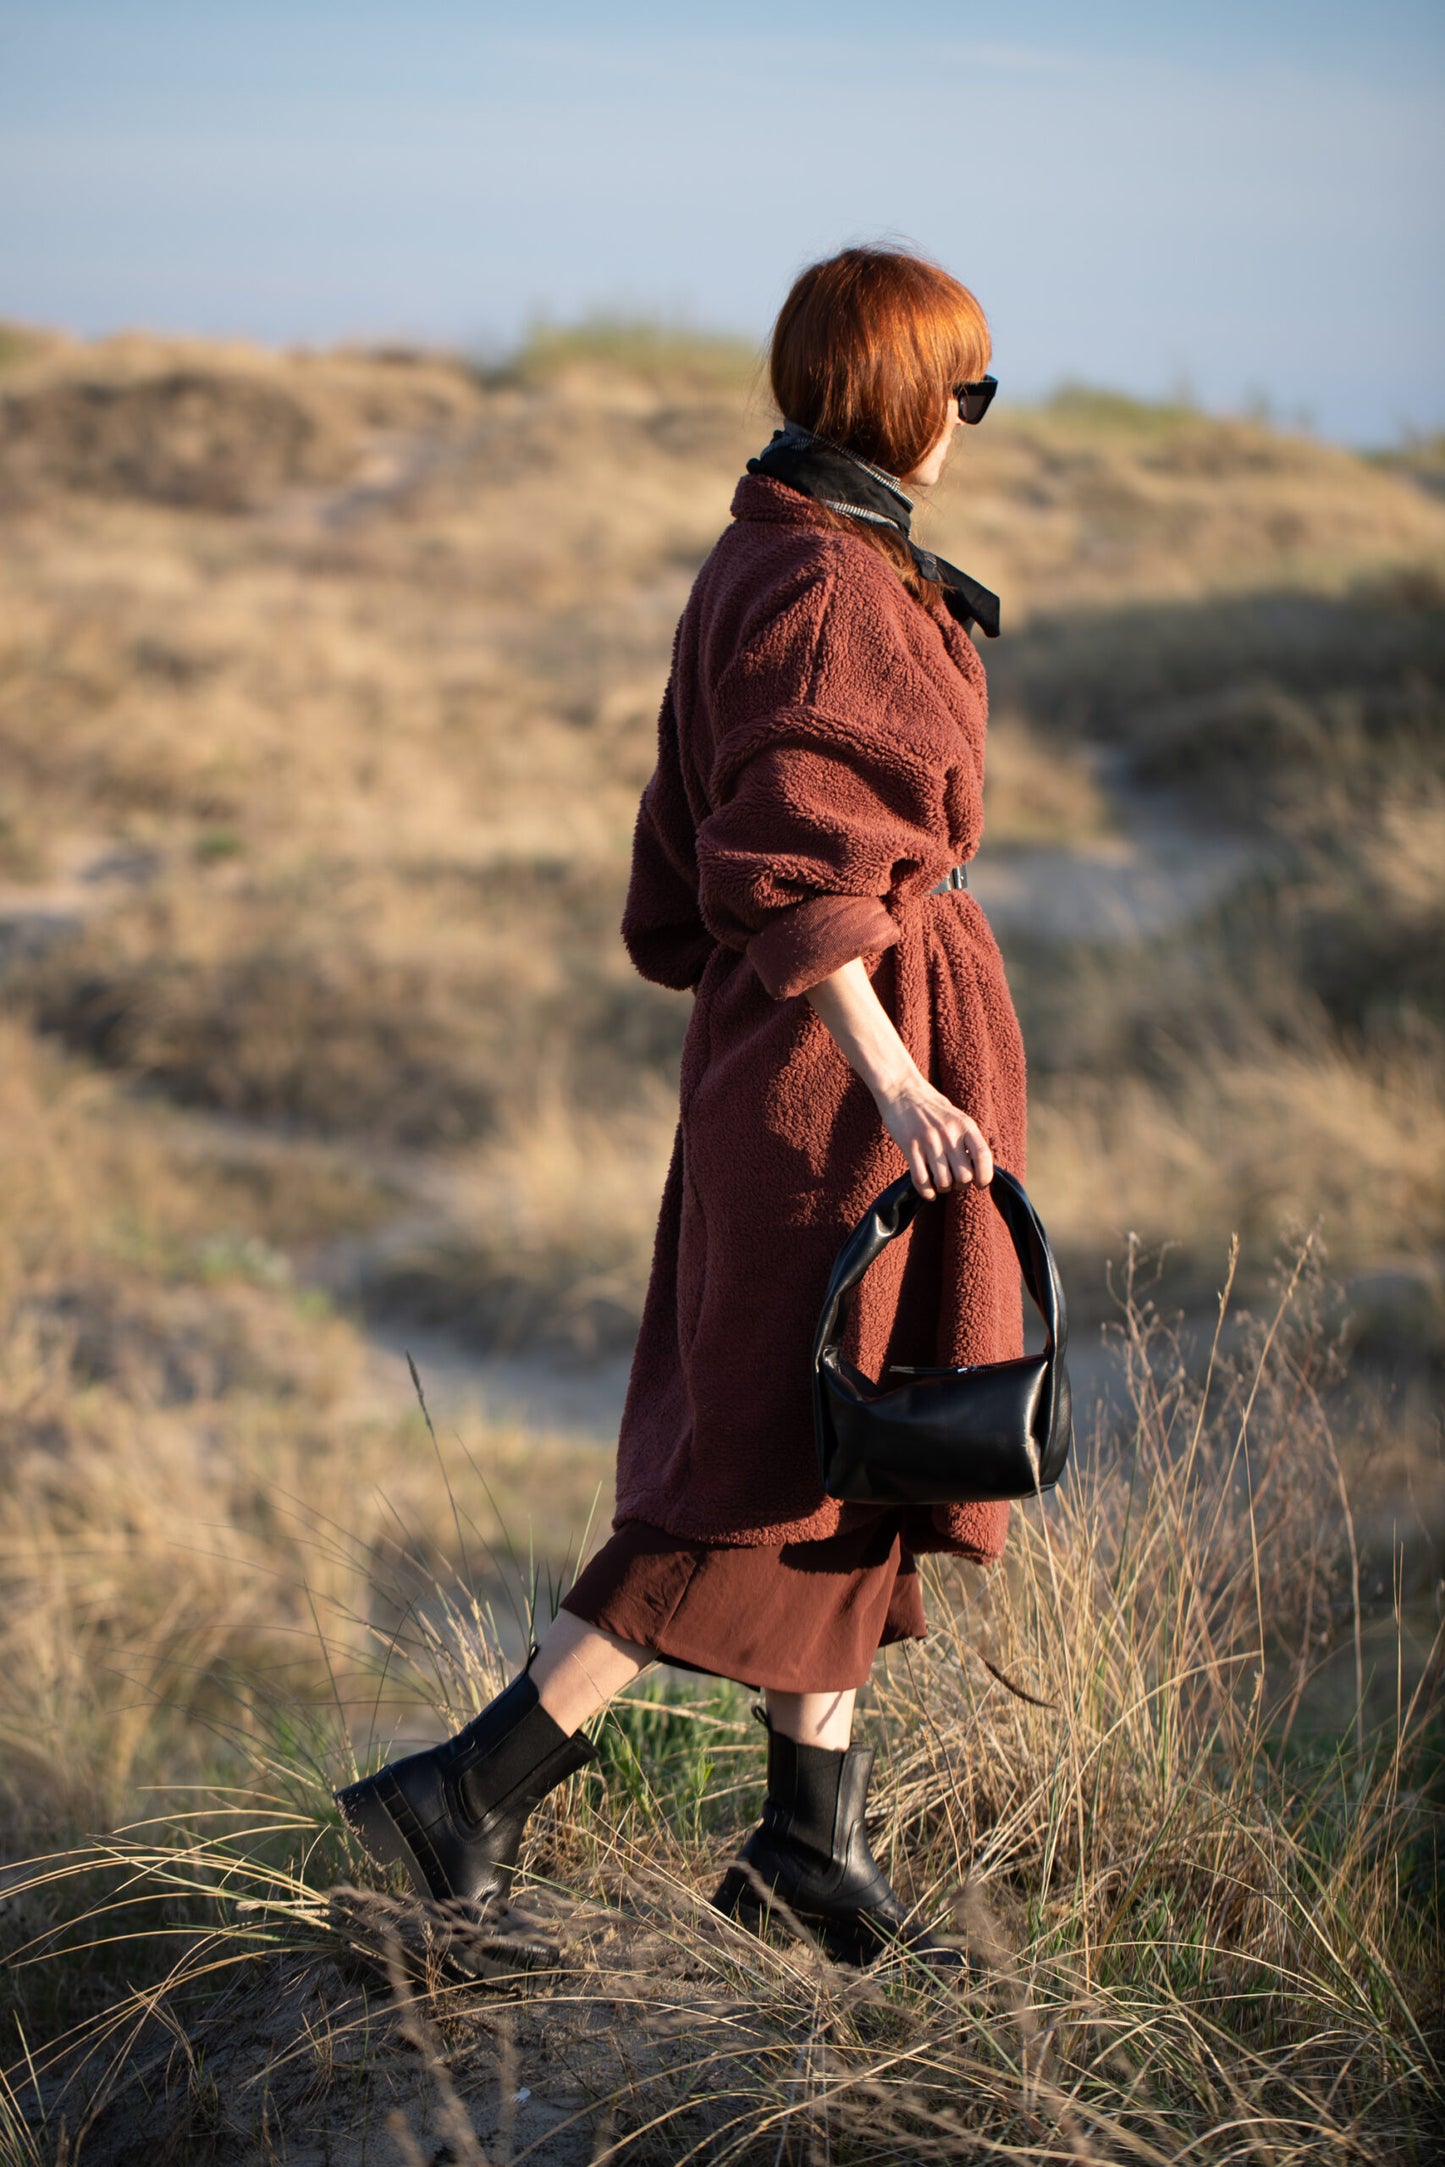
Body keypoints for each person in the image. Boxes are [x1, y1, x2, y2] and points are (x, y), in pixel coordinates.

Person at [337, 246, 1028, 1970]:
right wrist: (897, 1077)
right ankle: (471, 1792)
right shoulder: (819, 584)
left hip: (806, 1058)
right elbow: (781, 861)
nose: (969, 418)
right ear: (890, 392)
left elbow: (677, 865)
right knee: (754, 1456)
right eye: (962, 384)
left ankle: (809, 1844)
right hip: (833, 1081)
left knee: (861, 1436)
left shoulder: (782, 552)